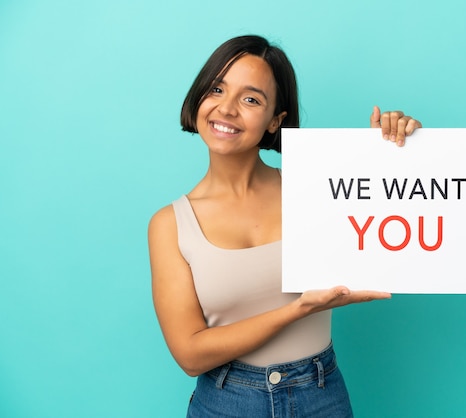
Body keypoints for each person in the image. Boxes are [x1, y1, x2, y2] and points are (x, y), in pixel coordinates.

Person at [148, 34, 421, 418]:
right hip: (226, 402)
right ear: (199, 98)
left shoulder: (317, 188)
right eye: (217, 88)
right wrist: (298, 309)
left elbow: (395, 209)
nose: (226, 108)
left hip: (321, 395)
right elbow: (191, 354)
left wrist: (397, 150)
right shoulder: (170, 224)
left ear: (276, 120)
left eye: (251, 99)